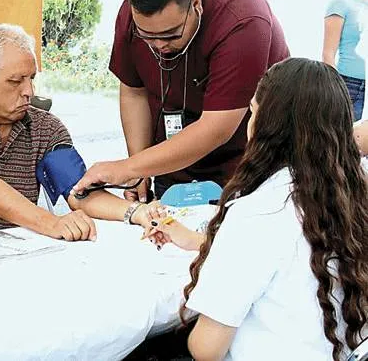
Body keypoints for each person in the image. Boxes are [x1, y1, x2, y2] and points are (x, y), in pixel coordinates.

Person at [148, 58, 368, 360]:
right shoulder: (351, 195)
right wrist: (202, 243)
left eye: (253, 110)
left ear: (268, 125)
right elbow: (295, 258)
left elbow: (206, 349)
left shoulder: (259, 212)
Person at [0, 24, 161, 241]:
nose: (29, 91)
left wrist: (136, 212)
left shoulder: (45, 127)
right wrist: (52, 223)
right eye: (16, 81)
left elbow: (78, 191)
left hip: (10, 260)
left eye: (31, 78)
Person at [72, 0, 289, 202]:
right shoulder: (131, 16)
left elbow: (216, 128)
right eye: (147, 36)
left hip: (244, 164)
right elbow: (134, 91)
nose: (159, 46)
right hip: (171, 164)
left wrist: (127, 168)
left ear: (196, 4)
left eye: (171, 35)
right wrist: (140, 169)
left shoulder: (243, 19)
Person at [323, 0, 368, 121]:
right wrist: (335, 90)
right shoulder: (341, 3)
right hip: (350, 87)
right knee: (346, 145)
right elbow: (328, 54)